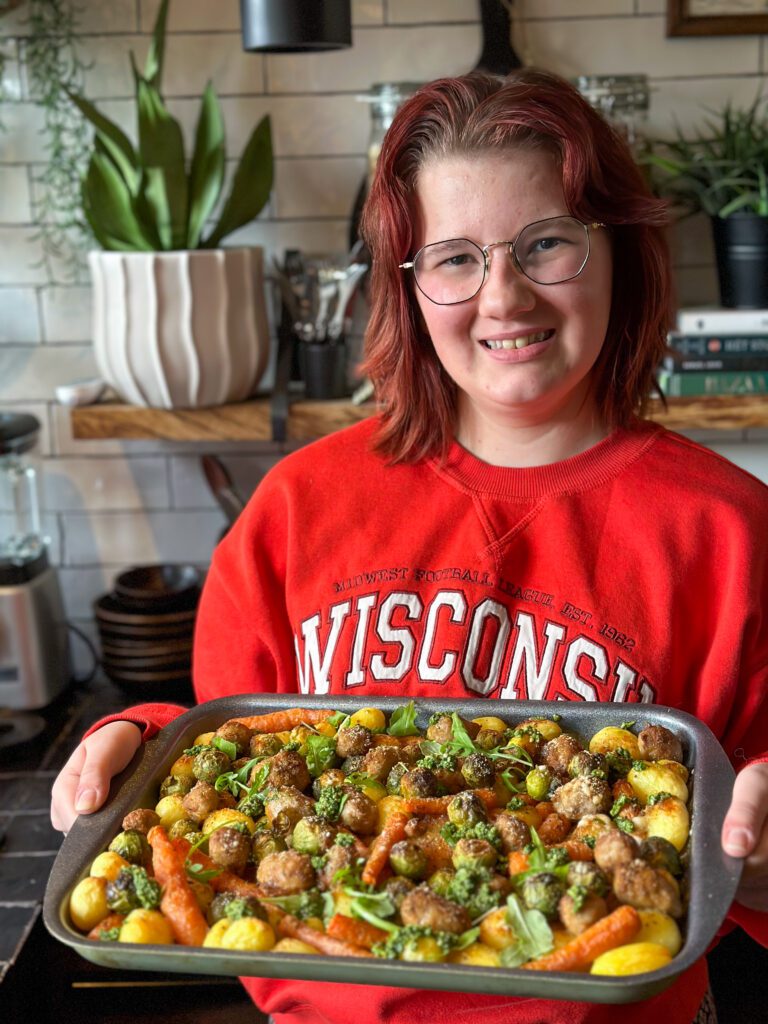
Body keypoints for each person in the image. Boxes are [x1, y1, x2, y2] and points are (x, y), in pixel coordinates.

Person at [51, 68, 768, 1024]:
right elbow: (212, 739)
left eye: (546, 243)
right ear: (409, 283)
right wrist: (127, 742)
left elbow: (748, 845)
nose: (503, 295)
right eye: (455, 258)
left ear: (618, 252)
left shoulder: (726, 529)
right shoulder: (299, 505)